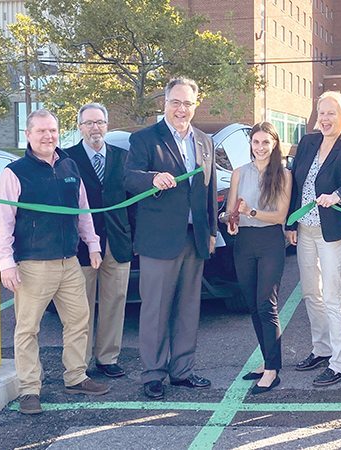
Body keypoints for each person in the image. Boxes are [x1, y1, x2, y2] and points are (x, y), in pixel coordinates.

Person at [0, 109, 110, 415]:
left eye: (53, 131)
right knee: (27, 329)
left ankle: (76, 376)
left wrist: (93, 245)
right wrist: (6, 263)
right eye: (41, 131)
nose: (48, 136)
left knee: (79, 320)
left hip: (69, 262)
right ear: (28, 135)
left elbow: (82, 210)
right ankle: (30, 389)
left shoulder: (69, 166)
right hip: (32, 265)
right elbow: (3, 221)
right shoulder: (15, 172)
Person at [124, 77, 217, 399]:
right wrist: (152, 178)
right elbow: (128, 178)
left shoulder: (205, 141)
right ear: (165, 103)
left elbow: (207, 191)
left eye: (187, 103)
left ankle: (182, 371)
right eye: (175, 102)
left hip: (195, 238)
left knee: (189, 308)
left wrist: (212, 233)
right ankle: (152, 374)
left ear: (196, 104)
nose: (181, 109)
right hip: (158, 240)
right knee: (155, 310)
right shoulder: (145, 139)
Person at [285, 91, 341, 387]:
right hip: (304, 228)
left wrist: (337, 196)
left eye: (331, 113)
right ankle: (321, 349)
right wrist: (291, 222)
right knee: (310, 293)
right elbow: (295, 182)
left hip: (332, 232)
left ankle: (340, 364)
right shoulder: (308, 142)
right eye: (321, 112)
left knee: (332, 296)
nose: (325, 118)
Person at [66, 103, 132, 378]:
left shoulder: (124, 157)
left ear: (107, 125)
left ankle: (107, 358)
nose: (95, 128)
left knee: (114, 302)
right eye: (89, 123)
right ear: (80, 127)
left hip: (118, 242)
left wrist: (134, 237)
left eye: (100, 122)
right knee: (80, 307)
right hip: (81, 247)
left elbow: (133, 201)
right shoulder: (66, 159)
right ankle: (79, 362)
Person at [225, 122, 292, 394]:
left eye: (266, 142)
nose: (261, 147)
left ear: (274, 144)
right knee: (253, 305)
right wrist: (230, 221)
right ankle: (266, 362)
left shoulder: (284, 175)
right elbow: (231, 210)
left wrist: (251, 212)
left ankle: (273, 370)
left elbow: (279, 216)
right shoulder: (239, 173)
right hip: (244, 243)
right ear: (250, 144)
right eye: (256, 142)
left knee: (267, 304)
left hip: (270, 242)